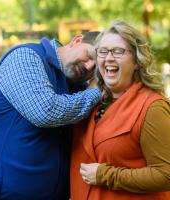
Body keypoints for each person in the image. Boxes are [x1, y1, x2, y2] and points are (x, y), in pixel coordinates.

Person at [0, 32, 101, 200]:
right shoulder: (25, 57)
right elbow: (45, 112)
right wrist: (98, 90)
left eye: (97, 69)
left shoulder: (75, 86)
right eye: (89, 56)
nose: (89, 67)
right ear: (76, 40)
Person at [71, 20, 170, 200]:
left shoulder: (152, 107)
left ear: (137, 61)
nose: (109, 57)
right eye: (103, 51)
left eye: (118, 51)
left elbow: (166, 174)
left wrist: (106, 175)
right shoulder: (90, 102)